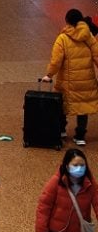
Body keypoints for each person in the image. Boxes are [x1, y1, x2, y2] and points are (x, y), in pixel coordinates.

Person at [42, 9, 98, 146]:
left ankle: (62, 131)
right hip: (86, 81)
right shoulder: (89, 36)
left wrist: (49, 75)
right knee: (83, 108)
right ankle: (80, 136)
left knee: (62, 105)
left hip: (67, 81)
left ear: (67, 21)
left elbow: (56, 61)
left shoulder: (63, 38)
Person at [36, 149, 98, 232]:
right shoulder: (56, 182)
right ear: (66, 166)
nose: (79, 168)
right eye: (75, 165)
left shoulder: (90, 184)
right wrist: (42, 231)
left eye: (82, 165)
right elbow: (44, 206)